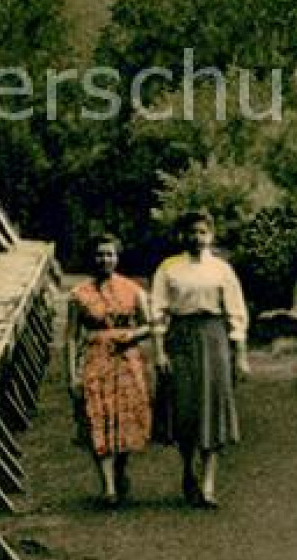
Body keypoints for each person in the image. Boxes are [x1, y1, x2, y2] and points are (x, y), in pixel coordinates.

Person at [151, 210, 250, 509]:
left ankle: (208, 485)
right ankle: (187, 469)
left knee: (212, 408)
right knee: (184, 409)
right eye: (191, 232)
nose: (197, 238)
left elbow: (236, 312)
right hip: (180, 337)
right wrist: (159, 351)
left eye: (202, 232)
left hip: (213, 337)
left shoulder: (222, 269)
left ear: (211, 235)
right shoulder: (169, 267)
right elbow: (157, 311)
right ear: (183, 235)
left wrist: (241, 356)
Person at [65, 234, 155, 507]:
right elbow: (70, 336)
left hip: (126, 360)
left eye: (110, 255)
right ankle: (109, 488)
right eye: (100, 255)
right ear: (92, 258)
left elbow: (150, 325)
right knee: (97, 416)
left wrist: (132, 335)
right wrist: (71, 374)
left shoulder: (134, 290)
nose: (105, 260)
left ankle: (120, 469)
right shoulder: (79, 294)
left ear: (117, 257)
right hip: (95, 360)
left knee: (125, 418)